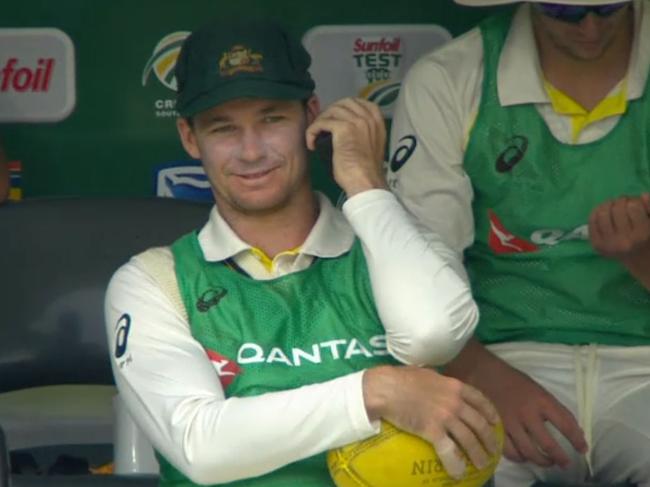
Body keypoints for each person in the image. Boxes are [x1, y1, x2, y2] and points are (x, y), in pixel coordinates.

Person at [105, 20, 501, 487]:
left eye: (272, 119)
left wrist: (366, 186)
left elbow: (434, 336)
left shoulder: (397, 243)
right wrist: (376, 391)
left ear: (311, 116)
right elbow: (200, 446)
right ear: (191, 139)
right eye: (224, 129)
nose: (251, 152)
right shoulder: (154, 280)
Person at [388, 0, 650, 485]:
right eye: (564, 14)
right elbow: (419, 275)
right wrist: (479, 372)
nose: (590, 28)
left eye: (610, 9)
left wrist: (642, 259)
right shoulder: (451, 78)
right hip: (503, 353)